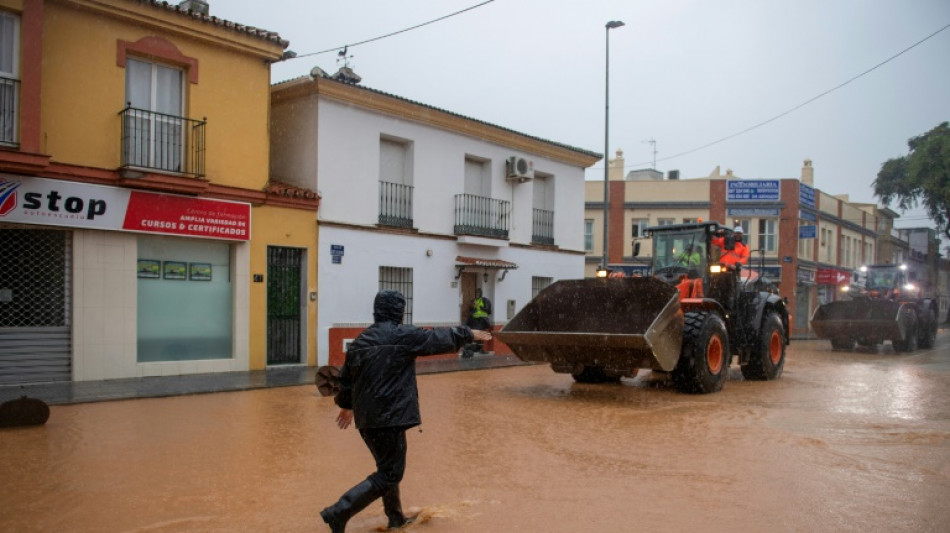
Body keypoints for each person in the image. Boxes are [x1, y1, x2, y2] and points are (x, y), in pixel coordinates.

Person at [320, 290, 491, 533]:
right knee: (390, 473)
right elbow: (436, 339)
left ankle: (395, 518)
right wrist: (468, 333)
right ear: (398, 311)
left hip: (368, 421)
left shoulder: (360, 341)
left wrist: (346, 406)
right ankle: (338, 512)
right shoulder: (403, 335)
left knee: (387, 469)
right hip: (390, 417)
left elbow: (346, 380)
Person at [462, 288, 492, 358]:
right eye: (476, 292)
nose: (477, 294)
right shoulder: (475, 301)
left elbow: (488, 310)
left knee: (480, 335)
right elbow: (472, 311)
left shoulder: (485, 300)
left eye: (479, 292)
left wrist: (478, 305)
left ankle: (481, 349)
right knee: (474, 335)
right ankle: (473, 349)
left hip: (482, 320)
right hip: (474, 321)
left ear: (481, 293)